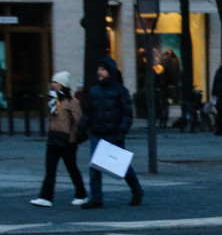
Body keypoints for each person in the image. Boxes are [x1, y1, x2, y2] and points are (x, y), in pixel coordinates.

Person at [78, 57, 144, 208]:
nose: (99, 72)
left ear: (110, 72)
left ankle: (136, 190)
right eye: (98, 69)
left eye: (102, 69)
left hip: (113, 133)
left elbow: (127, 113)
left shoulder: (120, 91)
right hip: (98, 133)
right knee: (95, 167)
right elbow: (89, 113)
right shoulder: (94, 91)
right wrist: (81, 127)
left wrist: (122, 131)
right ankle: (96, 198)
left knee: (122, 166)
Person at [31, 72, 88, 207]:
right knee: (50, 169)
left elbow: (79, 121)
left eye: (56, 82)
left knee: (72, 168)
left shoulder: (72, 102)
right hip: (53, 138)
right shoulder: (52, 99)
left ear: (62, 85)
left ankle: (82, 194)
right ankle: (45, 197)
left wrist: (74, 138)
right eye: (53, 82)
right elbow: (52, 119)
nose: (53, 84)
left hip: (68, 141)